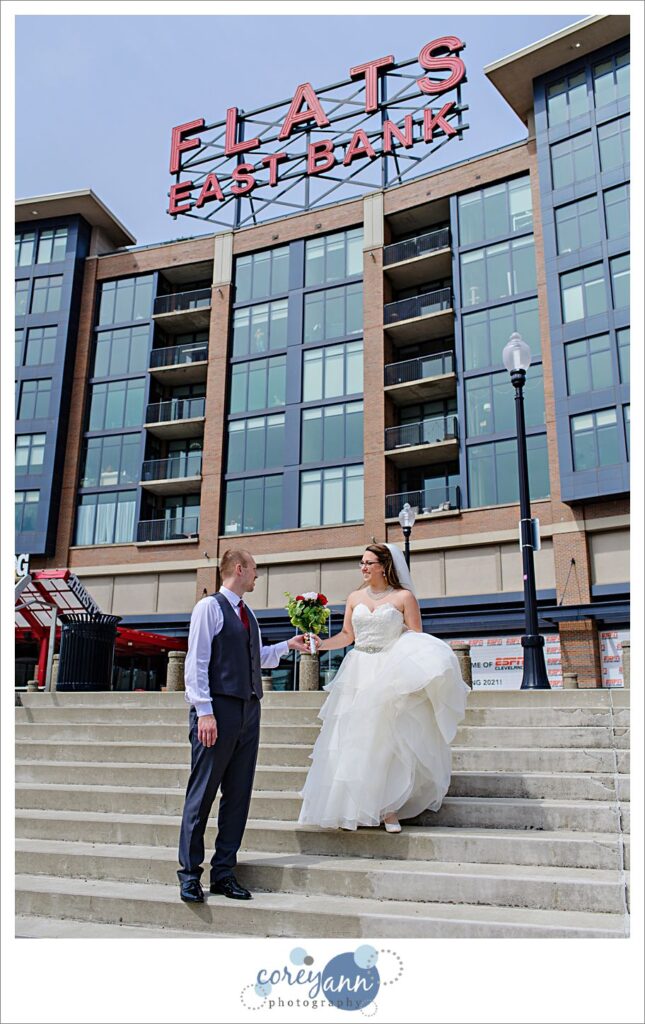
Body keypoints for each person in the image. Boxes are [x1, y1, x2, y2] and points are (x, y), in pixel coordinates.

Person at [298, 543, 469, 832]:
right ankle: (350, 807)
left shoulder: (404, 597)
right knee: (354, 739)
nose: (363, 567)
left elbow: (417, 638)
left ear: (383, 565)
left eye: (368, 562)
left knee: (386, 741)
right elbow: (346, 636)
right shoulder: (354, 597)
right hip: (358, 670)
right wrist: (320, 644)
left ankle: (388, 809)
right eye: (361, 563)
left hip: (390, 670)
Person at [177, 548, 311, 903]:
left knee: (238, 797)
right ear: (239, 569)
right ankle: (190, 875)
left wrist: (288, 645)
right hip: (217, 710)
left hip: (249, 712)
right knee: (202, 793)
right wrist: (204, 711)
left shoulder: (247, 612)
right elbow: (197, 661)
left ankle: (224, 872)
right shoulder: (208, 608)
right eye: (254, 569)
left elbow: (257, 657)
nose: (257, 575)